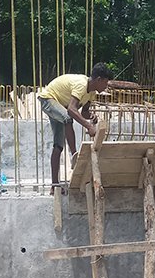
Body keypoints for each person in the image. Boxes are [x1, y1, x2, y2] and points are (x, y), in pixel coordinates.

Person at [39, 63, 113, 195]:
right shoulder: (81, 85)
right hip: (48, 99)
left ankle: (54, 185)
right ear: (99, 79)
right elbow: (71, 110)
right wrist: (89, 126)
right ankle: (74, 155)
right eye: (105, 82)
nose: (106, 86)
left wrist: (91, 117)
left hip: (59, 105)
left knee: (58, 146)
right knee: (67, 118)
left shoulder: (91, 93)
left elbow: (84, 112)